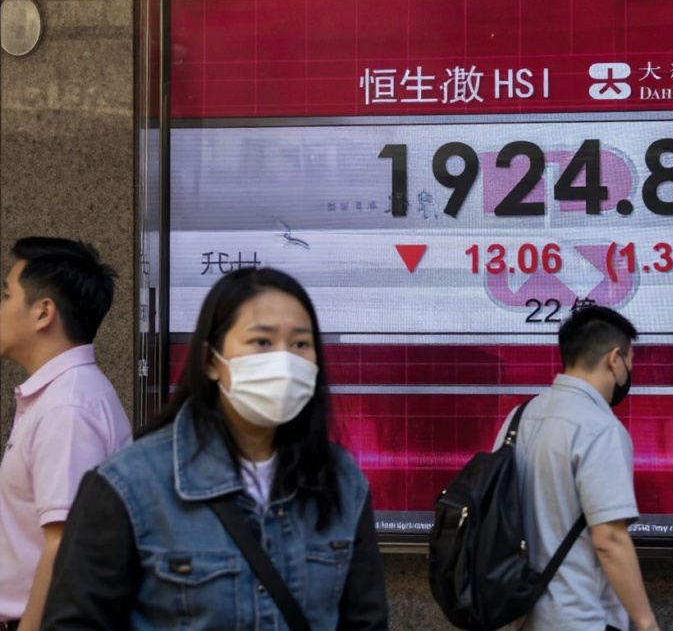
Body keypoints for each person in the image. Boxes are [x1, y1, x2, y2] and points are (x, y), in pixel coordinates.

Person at [41, 267, 389, 630]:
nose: (284, 361)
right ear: (211, 361)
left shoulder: (341, 479)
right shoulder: (128, 485)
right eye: (262, 342)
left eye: (301, 344)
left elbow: (366, 620)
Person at [494, 306, 660, 631]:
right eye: (630, 362)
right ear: (615, 359)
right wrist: (645, 621)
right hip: (576, 616)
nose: (628, 372)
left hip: (514, 612)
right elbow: (609, 539)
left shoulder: (519, 416)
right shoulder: (600, 428)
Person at [0, 237, 131, 631]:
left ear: (43, 312)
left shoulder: (67, 407)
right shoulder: (61, 396)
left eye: (6, 296)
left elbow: (63, 548)